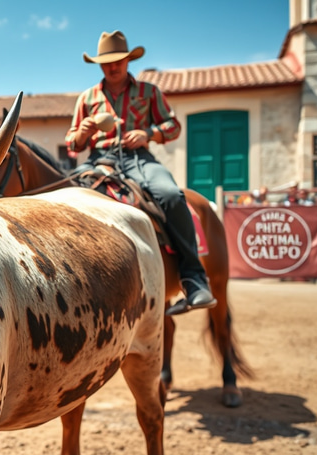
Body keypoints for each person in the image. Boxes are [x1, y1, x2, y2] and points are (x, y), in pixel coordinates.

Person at [65, 30, 216, 315]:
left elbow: (174, 126)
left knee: (170, 195)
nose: (113, 67)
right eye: (107, 62)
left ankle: (194, 278)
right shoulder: (87, 98)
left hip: (139, 159)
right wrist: (82, 133)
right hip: (98, 160)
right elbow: (72, 143)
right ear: (99, 64)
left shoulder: (149, 92)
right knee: (62, 197)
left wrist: (149, 133)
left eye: (118, 61)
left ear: (127, 60)